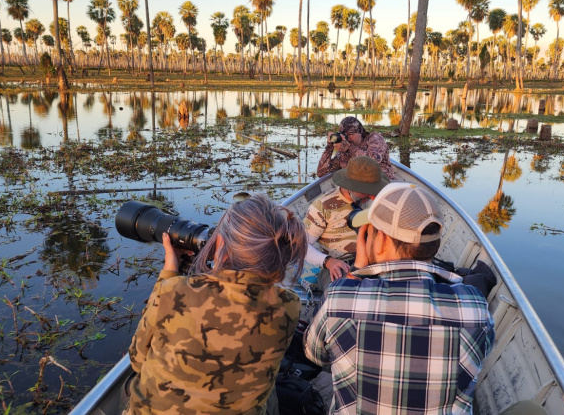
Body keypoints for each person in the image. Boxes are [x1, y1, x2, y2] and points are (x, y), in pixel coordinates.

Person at [304, 182, 495, 414]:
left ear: (382, 240)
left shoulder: (339, 298)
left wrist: (355, 273)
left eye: (369, 231)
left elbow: (315, 355)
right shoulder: (474, 304)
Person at [127, 194, 307, 415]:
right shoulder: (289, 305)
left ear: (220, 243)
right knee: (270, 395)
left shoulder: (174, 290)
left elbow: (137, 360)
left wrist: (170, 273)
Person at [303, 156, 389, 283]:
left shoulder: (379, 200)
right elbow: (302, 247)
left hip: (376, 261)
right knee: (342, 288)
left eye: (374, 190)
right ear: (351, 186)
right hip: (341, 265)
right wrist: (328, 262)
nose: (372, 196)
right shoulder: (322, 207)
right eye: (367, 191)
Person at [316, 116, 395, 180]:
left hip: (382, 183)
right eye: (344, 134)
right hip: (358, 187)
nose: (348, 138)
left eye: (350, 134)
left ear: (360, 132)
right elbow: (322, 172)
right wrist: (329, 148)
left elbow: (373, 161)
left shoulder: (374, 138)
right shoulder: (343, 152)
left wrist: (349, 148)